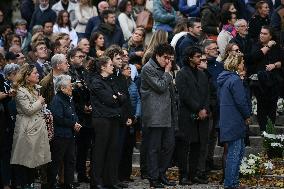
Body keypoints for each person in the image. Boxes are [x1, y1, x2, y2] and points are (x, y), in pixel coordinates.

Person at [140, 43, 177, 188]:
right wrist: (168, 73)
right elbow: (160, 87)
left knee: (169, 146)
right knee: (154, 148)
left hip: (168, 114)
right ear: (157, 56)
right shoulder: (148, 68)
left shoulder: (165, 68)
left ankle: (162, 173)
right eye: (165, 58)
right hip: (154, 115)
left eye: (170, 58)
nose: (167, 61)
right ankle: (153, 178)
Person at [88, 56, 127, 189]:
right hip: (102, 119)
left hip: (113, 118)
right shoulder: (96, 82)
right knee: (100, 150)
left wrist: (116, 97)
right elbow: (109, 100)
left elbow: (122, 97)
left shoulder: (111, 80)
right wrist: (116, 97)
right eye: (110, 64)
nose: (113, 66)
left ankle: (110, 180)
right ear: (103, 67)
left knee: (112, 150)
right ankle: (96, 181)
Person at [10, 63, 51, 188]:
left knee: (35, 159)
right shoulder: (20, 91)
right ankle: (25, 184)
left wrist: (42, 105)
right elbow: (28, 109)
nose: (38, 74)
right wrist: (39, 102)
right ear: (27, 76)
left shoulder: (35, 88)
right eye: (35, 73)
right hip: (27, 128)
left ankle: (31, 183)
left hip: (38, 128)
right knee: (25, 159)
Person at [175, 46, 210, 185]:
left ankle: (193, 174)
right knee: (185, 146)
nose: (200, 58)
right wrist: (198, 109)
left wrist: (205, 109)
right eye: (197, 56)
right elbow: (184, 95)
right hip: (187, 115)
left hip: (202, 116)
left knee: (197, 146)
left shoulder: (202, 74)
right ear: (189, 57)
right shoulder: (182, 74)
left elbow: (207, 94)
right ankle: (183, 175)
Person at [217, 53, 251, 189]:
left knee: (237, 151)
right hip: (235, 120)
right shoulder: (235, 80)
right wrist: (247, 115)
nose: (243, 65)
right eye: (242, 63)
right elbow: (241, 101)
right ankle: (231, 184)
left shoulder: (225, 79)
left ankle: (233, 182)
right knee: (235, 154)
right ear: (237, 65)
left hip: (229, 119)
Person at [49, 74, 81, 189]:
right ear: (62, 88)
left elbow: (74, 113)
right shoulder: (57, 100)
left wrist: (77, 123)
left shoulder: (69, 99)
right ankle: (51, 184)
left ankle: (68, 183)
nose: (71, 88)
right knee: (56, 161)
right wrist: (73, 124)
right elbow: (58, 118)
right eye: (69, 86)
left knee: (70, 160)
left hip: (70, 135)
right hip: (60, 136)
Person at [250, 26, 283, 132]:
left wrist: (275, 65)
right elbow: (253, 58)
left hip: (273, 82)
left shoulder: (277, 48)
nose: (261, 35)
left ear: (271, 36)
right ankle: (263, 131)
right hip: (259, 83)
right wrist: (267, 46)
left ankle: (270, 130)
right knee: (261, 106)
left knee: (272, 107)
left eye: (265, 34)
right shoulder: (256, 46)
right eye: (261, 33)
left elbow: (282, 61)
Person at [0, 63, 20, 189]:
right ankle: (6, 182)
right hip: (5, 125)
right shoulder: (4, 85)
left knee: (15, 155)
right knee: (6, 155)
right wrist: (8, 94)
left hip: (17, 124)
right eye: (17, 74)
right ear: (11, 75)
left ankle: (15, 181)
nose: (19, 76)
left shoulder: (19, 86)